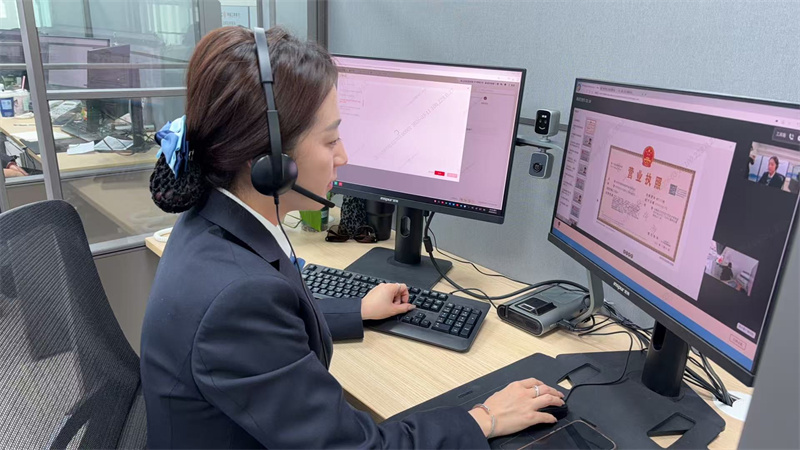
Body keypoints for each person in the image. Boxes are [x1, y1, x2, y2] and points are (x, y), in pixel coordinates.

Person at [140, 26, 564, 449]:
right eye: (330, 139)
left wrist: (356, 310)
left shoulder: (212, 220)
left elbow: (268, 334)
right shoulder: (238, 297)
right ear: (269, 161)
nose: (343, 155)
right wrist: (485, 417)